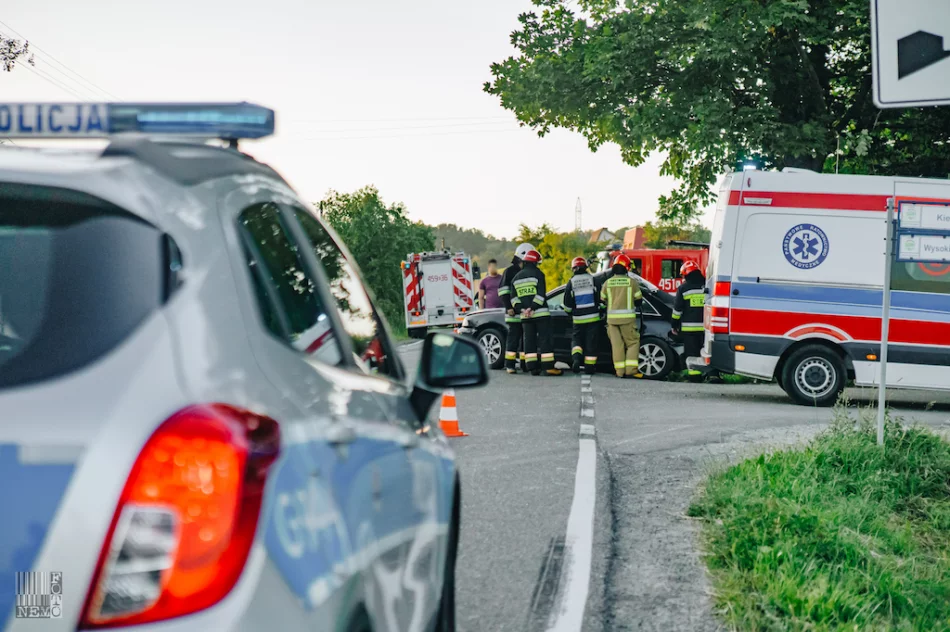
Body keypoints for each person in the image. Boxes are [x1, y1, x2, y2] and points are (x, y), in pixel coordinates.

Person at [511, 249, 562, 376]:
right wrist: (532, 308)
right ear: (534, 262)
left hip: (525, 316)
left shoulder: (516, 278)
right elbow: (540, 295)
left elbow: (513, 299)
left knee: (529, 340)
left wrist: (523, 309)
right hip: (540, 314)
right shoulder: (538, 274)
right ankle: (548, 367)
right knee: (545, 340)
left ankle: (532, 368)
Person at [600, 254, 644, 378]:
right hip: (627, 320)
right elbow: (639, 300)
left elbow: (602, 301)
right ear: (627, 268)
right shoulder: (632, 283)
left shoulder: (607, 283)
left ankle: (619, 372)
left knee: (617, 346)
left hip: (611, 321)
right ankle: (631, 371)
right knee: (632, 343)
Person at [563, 256, 602, 374]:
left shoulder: (571, 282)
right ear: (585, 267)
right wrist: (601, 310)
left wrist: (570, 313)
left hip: (578, 319)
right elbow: (601, 299)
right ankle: (589, 368)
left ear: (573, 268)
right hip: (593, 318)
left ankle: (576, 359)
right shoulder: (593, 280)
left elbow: (567, 304)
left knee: (576, 340)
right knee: (591, 343)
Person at [497, 244, 532, 374]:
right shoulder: (510, 271)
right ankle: (510, 365)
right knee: (513, 338)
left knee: (525, 340)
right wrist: (508, 307)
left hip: (525, 312)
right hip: (513, 312)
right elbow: (503, 291)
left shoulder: (526, 271)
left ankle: (524, 364)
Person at [672, 260, 706, 383]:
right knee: (706, 351)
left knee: (692, 353)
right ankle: (712, 375)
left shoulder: (683, 288)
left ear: (686, 273)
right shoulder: (707, 285)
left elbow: (677, 310)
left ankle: (694, 376)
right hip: (706, 328)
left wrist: (674, 325)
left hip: (689, 329)